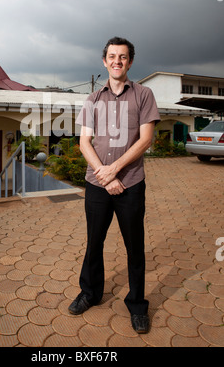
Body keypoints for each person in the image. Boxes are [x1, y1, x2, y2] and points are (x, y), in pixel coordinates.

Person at [68, 36, 160, 334]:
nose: (117, 61)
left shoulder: (143, 95)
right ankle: (90, 293)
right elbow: (84, 142)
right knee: (94, 242)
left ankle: (136, 305)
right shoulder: (93, 100)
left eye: (123, 57)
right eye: (112, 56)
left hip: (131, 184)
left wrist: (115, 171)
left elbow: (145, 140)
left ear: (129, 62)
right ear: (104, 61)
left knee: (135, 247)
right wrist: (103, 175)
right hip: (97, 185)